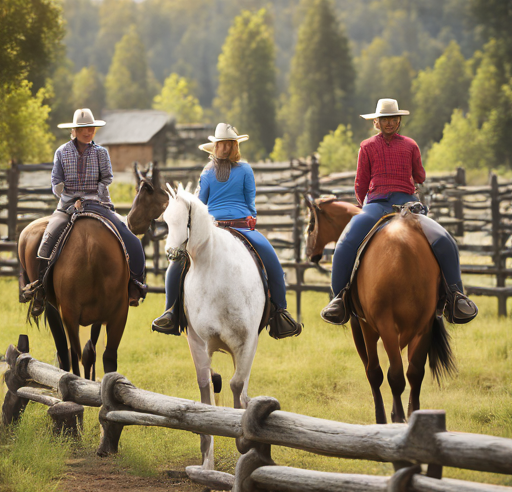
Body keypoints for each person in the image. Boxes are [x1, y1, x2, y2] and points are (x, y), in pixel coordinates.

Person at [321, 98, 478, 325]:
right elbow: (362, 183)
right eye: (385, 119)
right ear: (376, 122)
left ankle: (456, 296)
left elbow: (419, 176)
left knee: (445, 240)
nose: (389, 123)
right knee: (345, 242)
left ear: (399, 120)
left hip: (407, 204)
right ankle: (339, 298)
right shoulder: (366, 147)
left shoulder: (411, 145)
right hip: (376, 204)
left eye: (394, 118)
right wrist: (364, 203)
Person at [151, 122, 302, 339]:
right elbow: (200, 205)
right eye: (221, 144)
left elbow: (250, 201)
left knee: (273, 262)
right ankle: (170, 312)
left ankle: (280, 312)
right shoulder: (207, 173)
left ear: (234, 146)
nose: (224, 148)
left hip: (242, 225)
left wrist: (251, 218)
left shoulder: (245, 170)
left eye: (229, 144)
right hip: (213, 227)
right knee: (177, 263)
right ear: (214, 146)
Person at [32, 108, 147, 315]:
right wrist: (69, 195)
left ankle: (135, 284)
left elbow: (107, 179)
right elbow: (55, 183)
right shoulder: (61, 152)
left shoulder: (101, 152)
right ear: (74, 130)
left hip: (97, 204)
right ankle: (40, 289)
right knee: (46, 242)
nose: (88, 131)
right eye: (84, 128)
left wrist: (87, 198)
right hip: (67, 206)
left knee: (133, 240)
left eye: (91, 128)